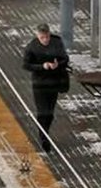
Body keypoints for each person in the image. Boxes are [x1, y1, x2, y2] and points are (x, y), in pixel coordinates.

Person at [23, 23, 70, 152]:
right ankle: (43, 137)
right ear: (37, 35)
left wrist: (57, 64)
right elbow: (26, 65)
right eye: (42, 37)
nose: (45, 40)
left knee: (50, 112)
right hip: (40, 84)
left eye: (47, 37)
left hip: (53, 82)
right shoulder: (32, 47)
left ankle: (45, 132)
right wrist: (42, 66)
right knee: (42, 111)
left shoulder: (57, 42)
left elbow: (65, 59)